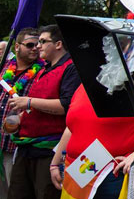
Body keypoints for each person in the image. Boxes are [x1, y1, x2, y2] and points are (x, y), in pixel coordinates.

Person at [7, 24, 81, 199]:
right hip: (26, 147)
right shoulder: (43, 70)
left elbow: (67, 106)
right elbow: (39, 105)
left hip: (49, 151)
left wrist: (29, 102)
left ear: (58, 44)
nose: (38, 46)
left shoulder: (71, 68)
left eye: (42, 41)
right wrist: (22, 117)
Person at [49, 84, 134, 197]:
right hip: (79, 169)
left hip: (111, 172)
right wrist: (55, 163)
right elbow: (72, 126)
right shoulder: (83, 85)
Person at [0, 28, 42, 189]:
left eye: (38, 45)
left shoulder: (42, 72)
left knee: (14, 191)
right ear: (16, 47)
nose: (35, 48)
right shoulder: (5, 68)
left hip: (17, 146)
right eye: (30, 45)